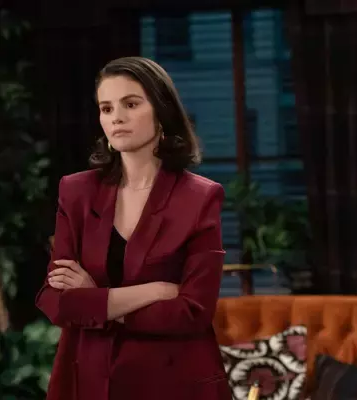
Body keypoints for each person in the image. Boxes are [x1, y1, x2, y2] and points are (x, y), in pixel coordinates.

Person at [35, 56, 231, 400]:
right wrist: (153, 291)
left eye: (130, 104)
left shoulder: (200, 197)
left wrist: (95, 297)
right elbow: (56, 302)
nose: (117, 117)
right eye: (106, 108)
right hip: (89, 380)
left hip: (172, 381)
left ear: (162, 111)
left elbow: (193, 312)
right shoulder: (77, 191)